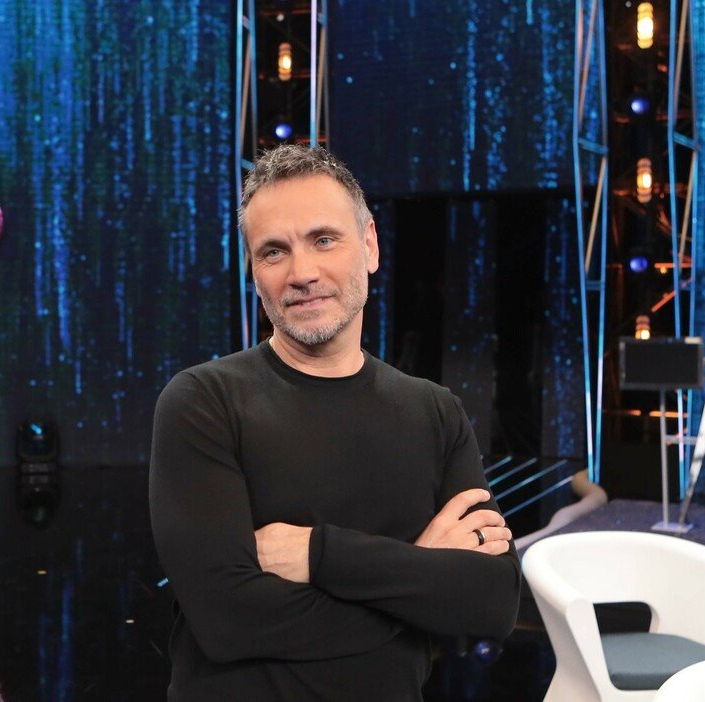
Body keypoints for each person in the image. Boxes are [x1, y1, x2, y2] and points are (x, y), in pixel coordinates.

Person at [148, 145, 521, 701]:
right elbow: (230, 622)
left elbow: (492, 603)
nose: (302, 273)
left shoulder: (434, 411)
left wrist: (319, 555)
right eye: (274, 251)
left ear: (369, 245)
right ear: (254, 271)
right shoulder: (203, 401)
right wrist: (421, 572)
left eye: (324, 240)